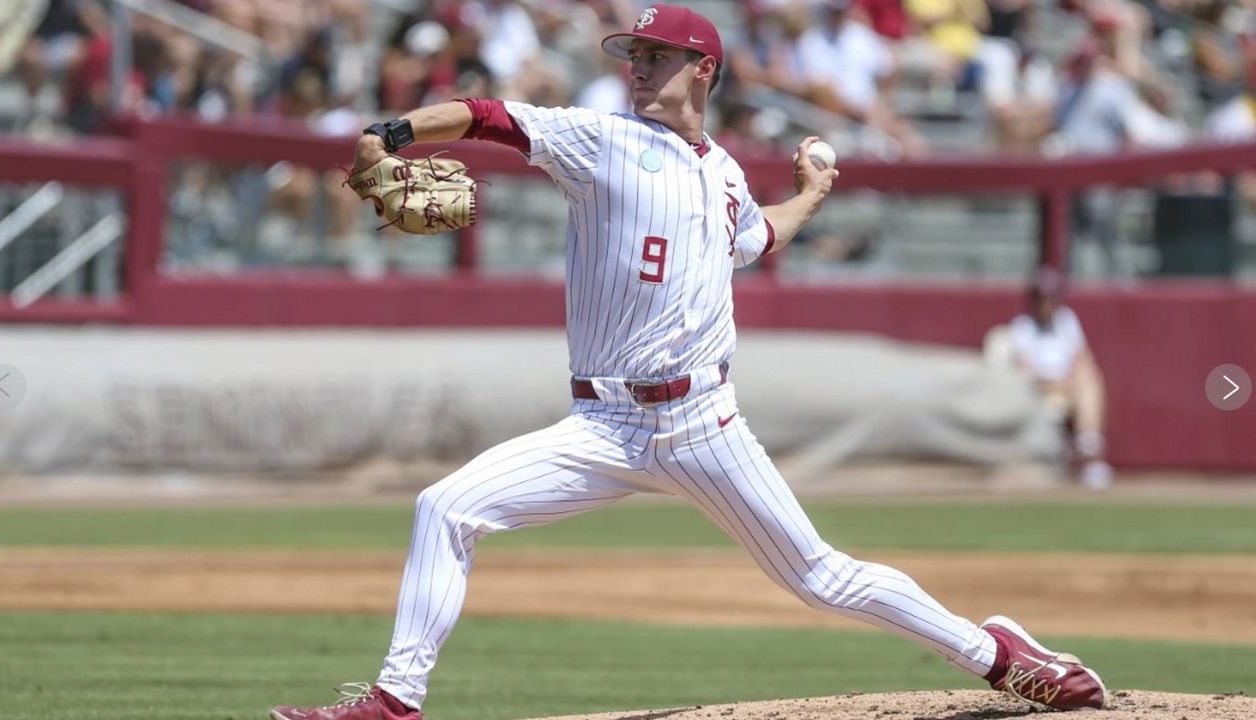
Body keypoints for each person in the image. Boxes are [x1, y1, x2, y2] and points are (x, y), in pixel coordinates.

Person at [269, 5, 1106, 719]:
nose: (639, 67)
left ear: (703, 66)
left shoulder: (726, 174)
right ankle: (392, 703)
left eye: (657, 55)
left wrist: (811, 193)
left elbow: (755, 237)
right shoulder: (599, 142)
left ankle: (1001, 657)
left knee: (821, 577)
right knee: (446, 506)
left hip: (701, 424)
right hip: (602, 425)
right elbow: (489, 115)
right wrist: (391, 134)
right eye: (633, 54)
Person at [1007, 267, 1112, 490]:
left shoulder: (1067, 321)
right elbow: (1024, 374)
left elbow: (1083, 358)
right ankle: (1087, 453)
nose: (1046, 304)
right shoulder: (1021, 328)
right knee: (1083, 383)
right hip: (1038, 391)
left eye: (1051, 298)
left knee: (1090, 382)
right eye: (1042, 298)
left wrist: (1071, 382)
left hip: (1070, 386)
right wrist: (1057, 384)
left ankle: (1089, 453)